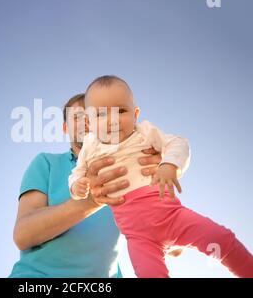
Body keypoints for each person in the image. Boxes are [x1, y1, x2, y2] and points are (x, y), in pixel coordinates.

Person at [69, 75, 253, 278]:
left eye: (121, 111)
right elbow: (77, 174)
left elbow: (177, 143)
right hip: (138, 237)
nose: (112, 120)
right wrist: (77, 186)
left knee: (221, 239)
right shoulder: (90, 147)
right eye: (102, 114)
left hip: (173, 217)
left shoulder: (145, 133)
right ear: (88, 122)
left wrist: (169, 164)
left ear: (135, 113)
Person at [9, 93, 163, 277]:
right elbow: (23, 234)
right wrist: (91, 200)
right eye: (77, 117)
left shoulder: (130, 165)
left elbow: (155, 226)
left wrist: (168, 167)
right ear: (65, 128)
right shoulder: (47, 163)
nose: (86, 122)